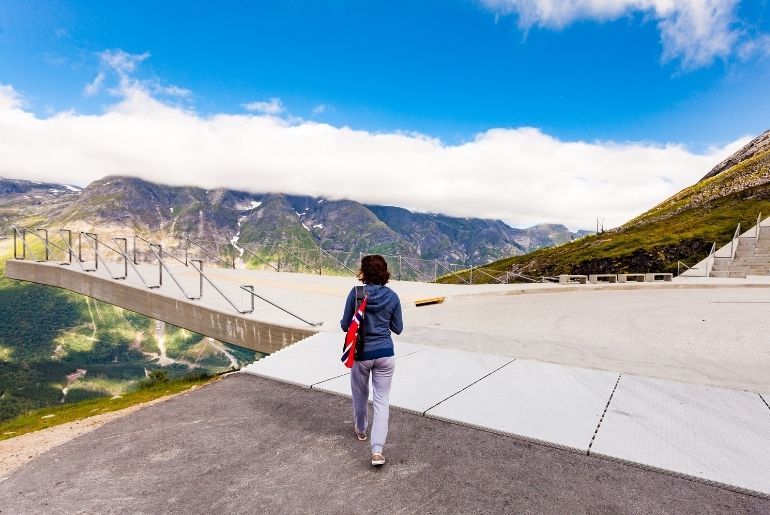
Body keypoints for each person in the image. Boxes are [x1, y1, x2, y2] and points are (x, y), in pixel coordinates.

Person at [340, 254, 403, 466]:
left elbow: (344, 325)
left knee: (360, 394)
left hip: (361, 354)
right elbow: (398, 328)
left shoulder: (356, 293)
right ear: (385, 272)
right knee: (381, 400)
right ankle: (377, 451)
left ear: (363, 272)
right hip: (385, 353)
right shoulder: (392, 296)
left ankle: (361, 430)